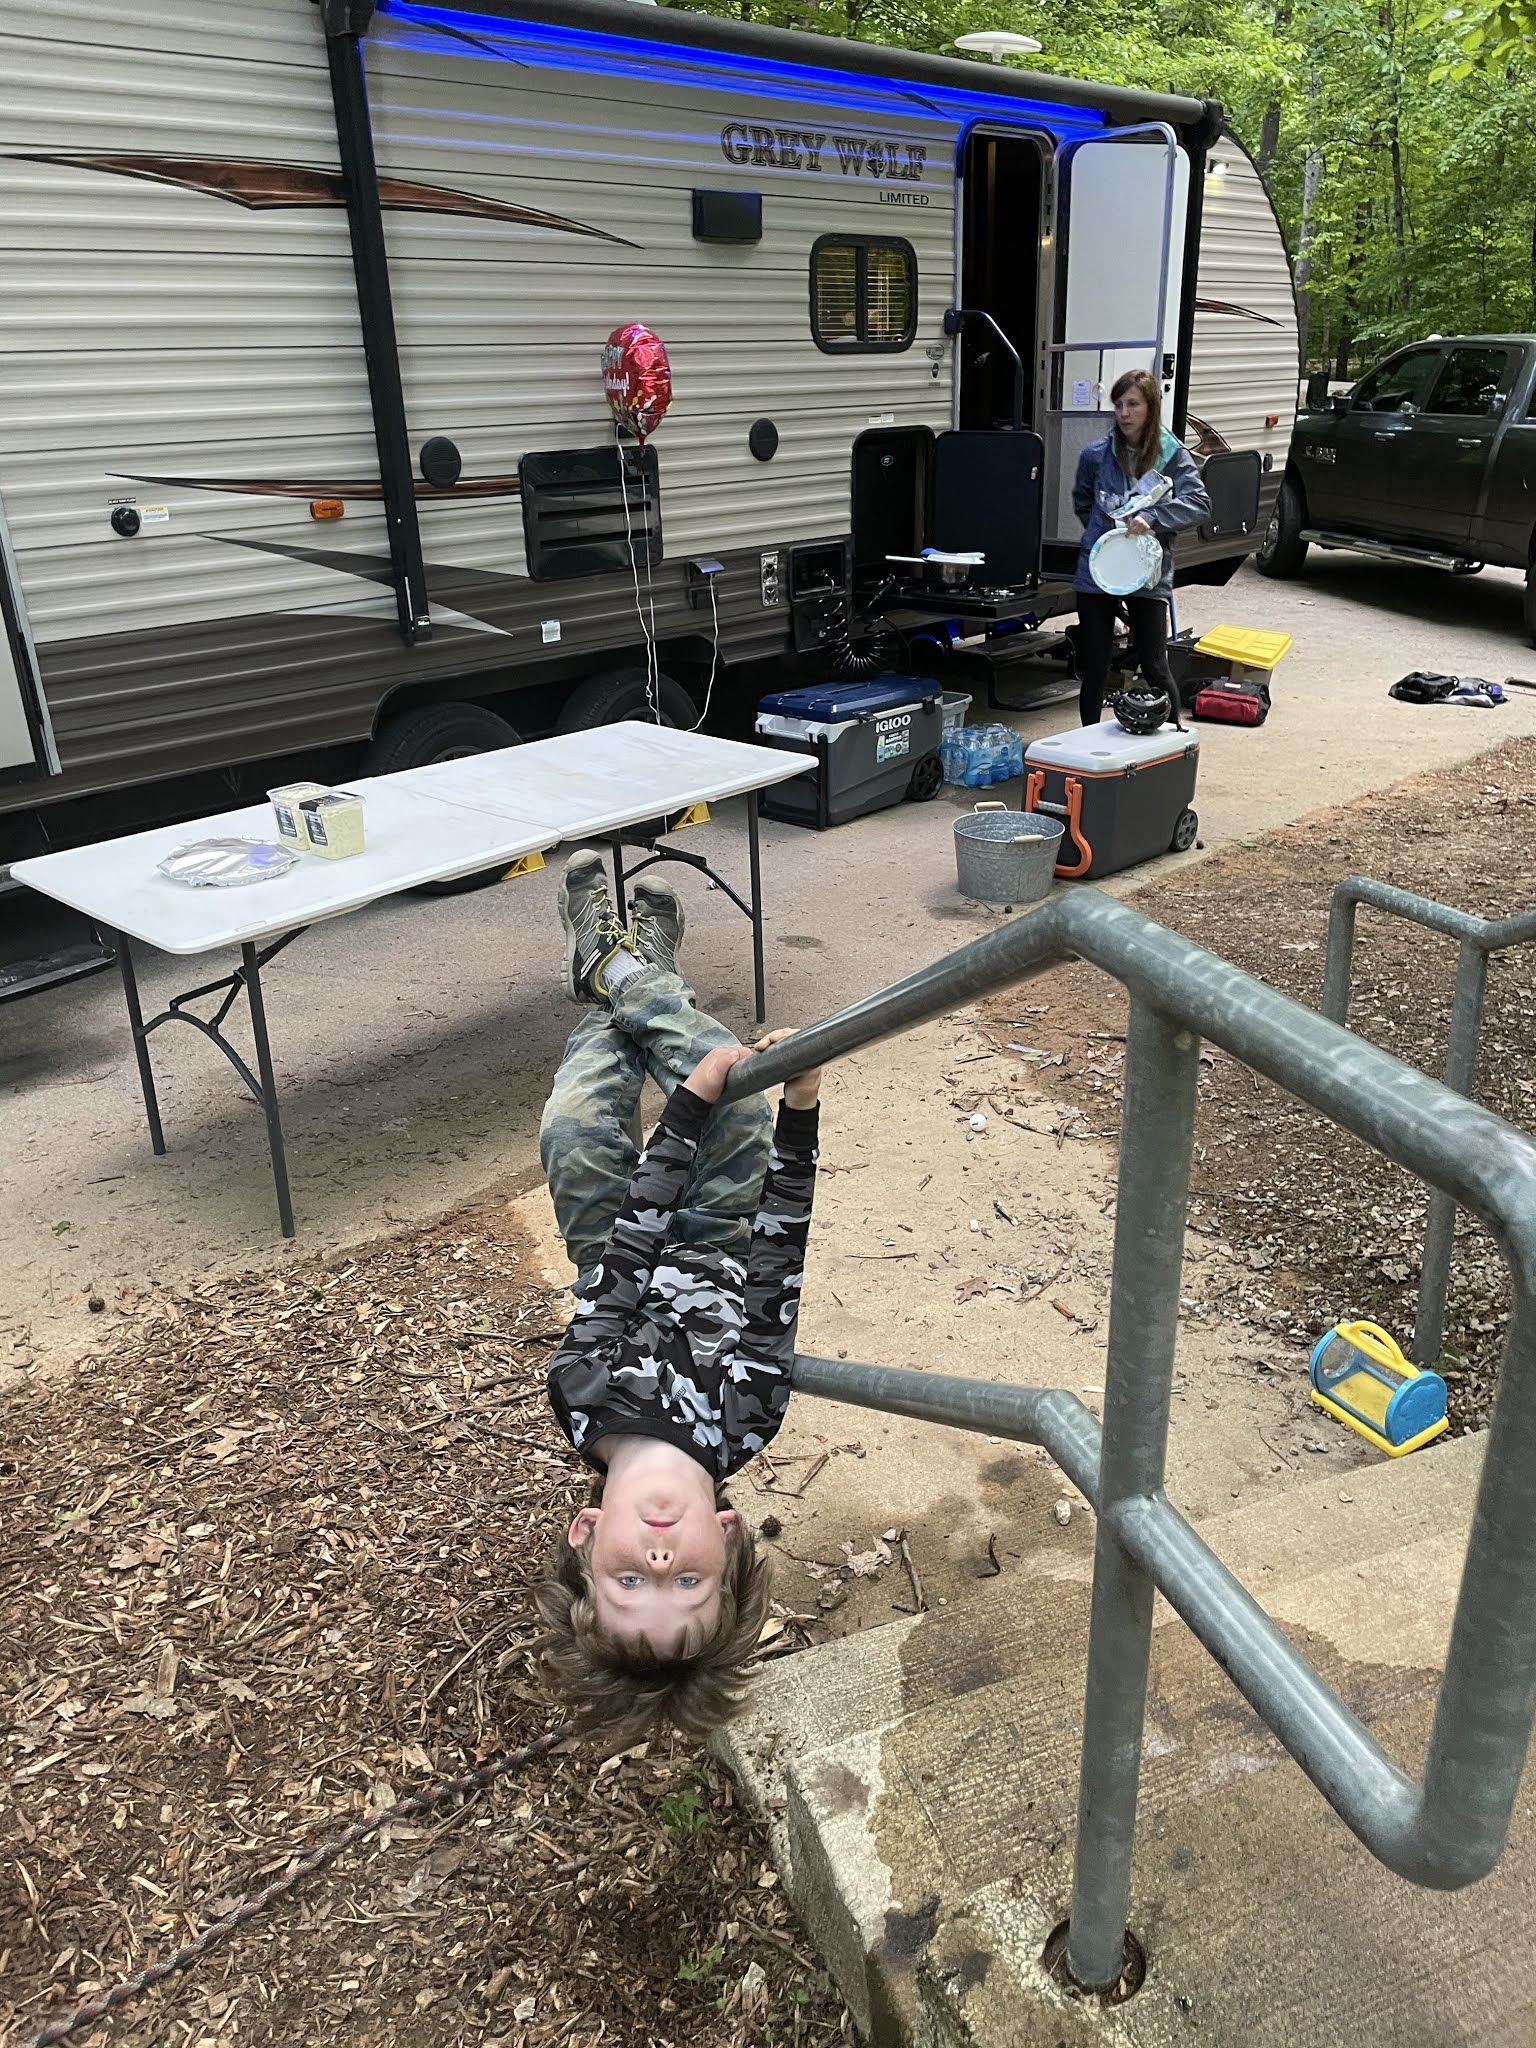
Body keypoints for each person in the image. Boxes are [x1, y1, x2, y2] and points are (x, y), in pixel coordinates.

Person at [533, 847, 821, 1749]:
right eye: (687, 1583)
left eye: (630, 1583)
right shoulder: (746, 1420)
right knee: (733, 1083)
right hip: (725, 1228)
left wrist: (681, 1114)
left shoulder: (581, 1395)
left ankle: (615, 972)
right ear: (727, 1539)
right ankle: (628, 969)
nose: (660, 1560)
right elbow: (777, 1266)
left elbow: (629, 1248)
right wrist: (799, 1116)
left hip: (612, 1238)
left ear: (587, 1535)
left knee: (574, 1126)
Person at [1070, 367, 1212, 726]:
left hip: (1147, 571)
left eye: (1133, 404)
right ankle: (1088, 745)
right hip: (1099, 570)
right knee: (1095, 663)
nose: (1124, 413)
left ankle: (1175, 740)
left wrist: (1154, 517)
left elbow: (1199, 504)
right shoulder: (1095, 455)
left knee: (1154, 664)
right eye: (1118, 405)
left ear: (1150, 407)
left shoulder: (1172, 454)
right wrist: (1108, 541)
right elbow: (1083, 502)